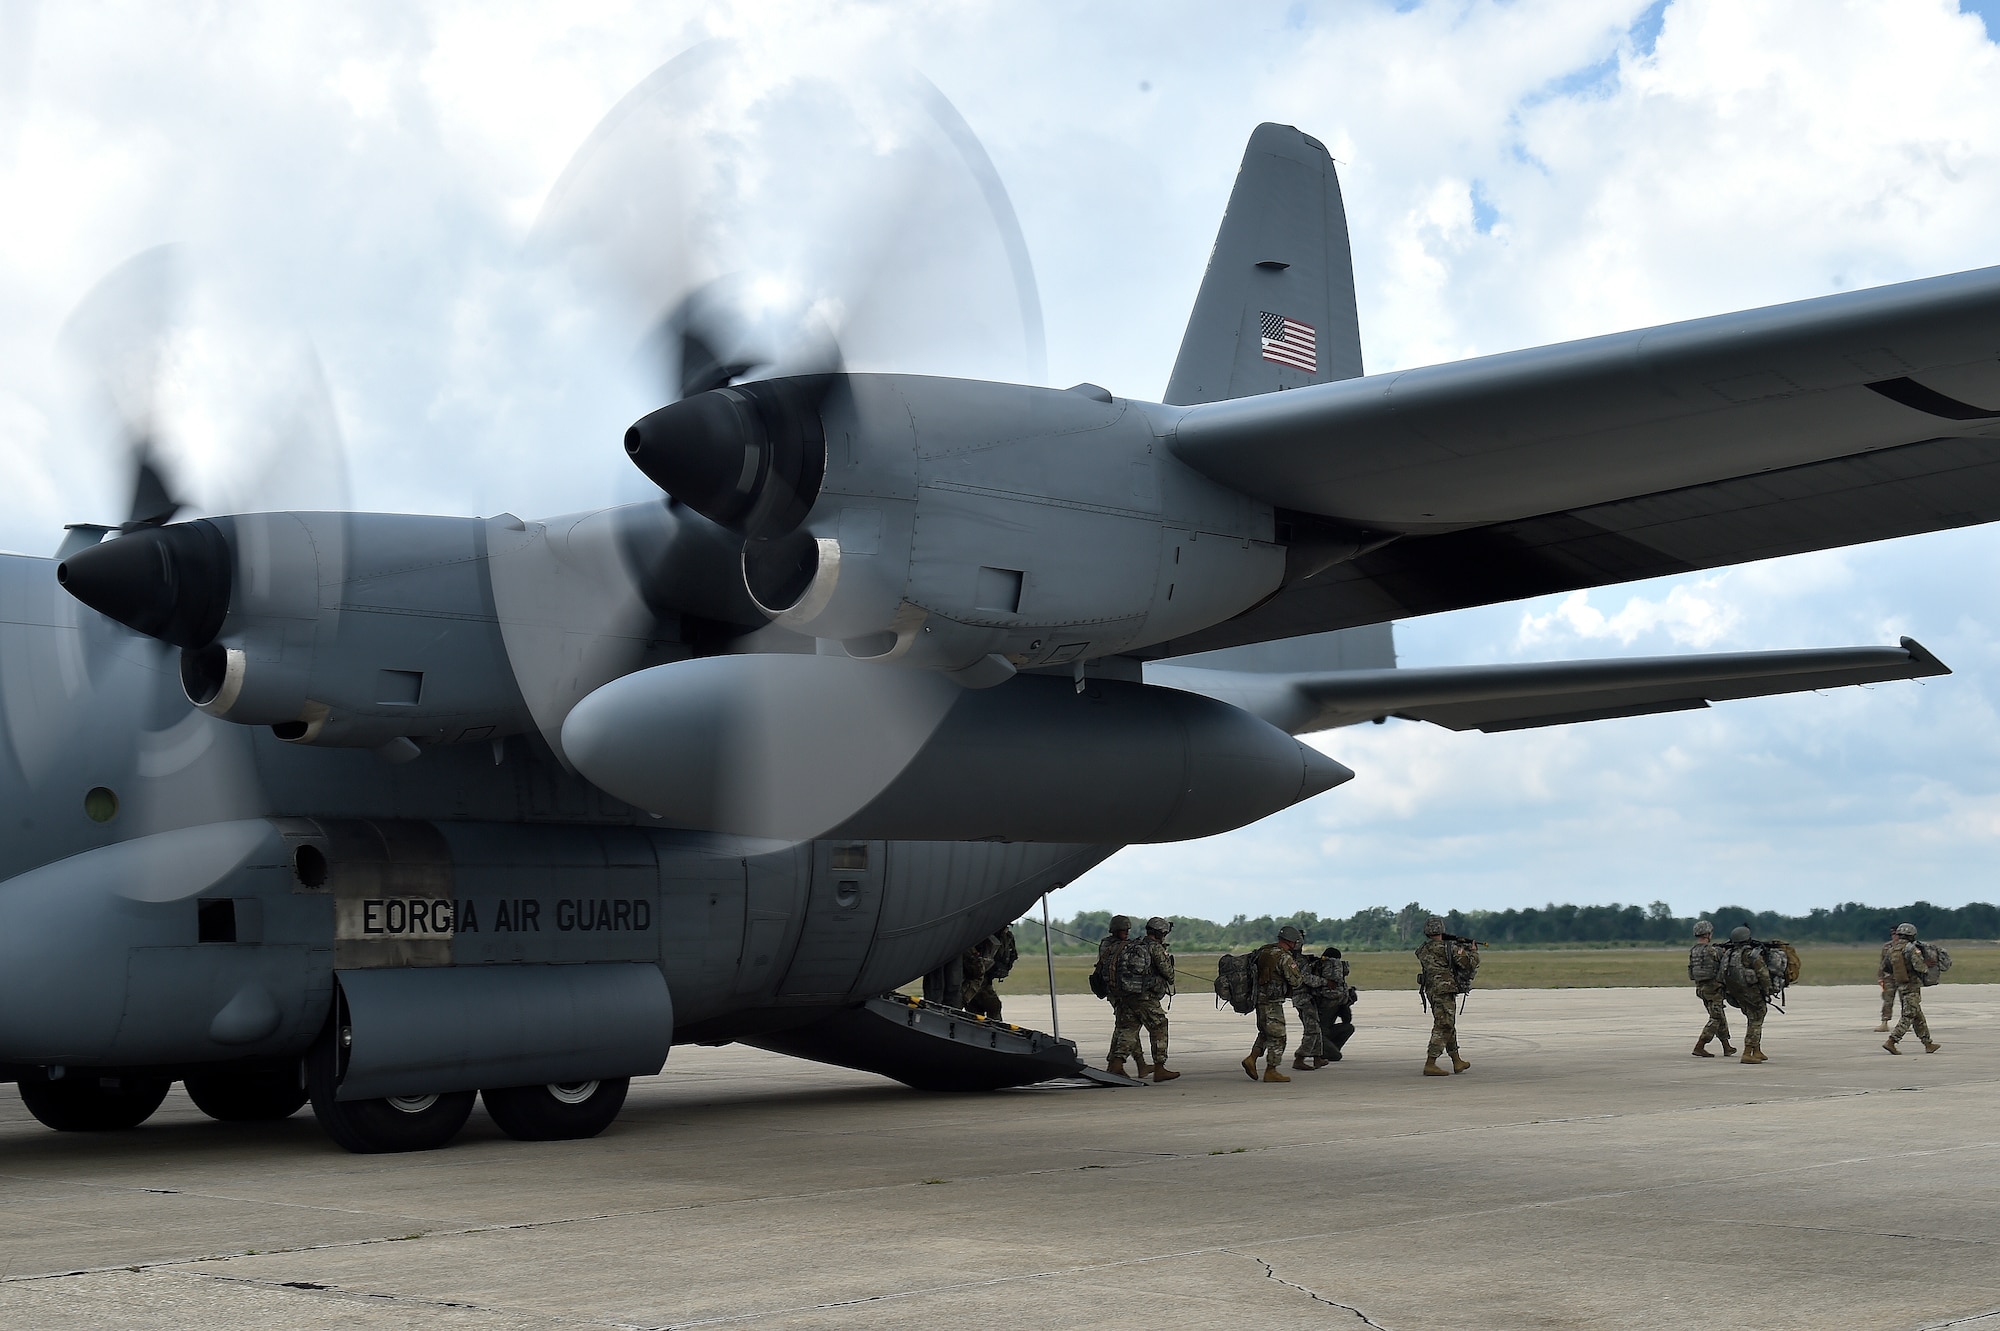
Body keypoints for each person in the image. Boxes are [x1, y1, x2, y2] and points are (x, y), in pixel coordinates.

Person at [1242, 924, 1321, 1083]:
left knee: (1265, 1032)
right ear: (1291, 942)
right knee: (1279, 1036)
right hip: (1272, 1002)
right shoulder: (1284, 957)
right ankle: (1271, 1070)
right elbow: (1296, 980)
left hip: (1259, 999)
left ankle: (1251, 1058)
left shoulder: (1264, 951)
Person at [1111, 917, 1180, 1082]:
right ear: (1160, 933)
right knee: (1159, 1026)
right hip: (1146, 997)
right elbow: (1169, 975)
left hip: (1128, 995)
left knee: (1129, 1029)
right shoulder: (1155, 948)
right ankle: (1160, 1067)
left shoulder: (1134, 945)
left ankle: (1116, 1064)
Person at [1415, 916, 1475, 1076]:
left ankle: (1457, 1060)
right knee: (1444, 1025)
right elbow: (1467, 964)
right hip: (1445, 989)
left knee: (1447, 1023)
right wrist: (1472, 952)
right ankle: (1430, 1063)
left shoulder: (1422, 949)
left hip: (1431, 990)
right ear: (1442, 929)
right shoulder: (1449, 948)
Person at [1882, 922, 1942, 1055]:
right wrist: (1927, 966)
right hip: (1912, 986)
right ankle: (1892, 1041)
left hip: (1901, 985)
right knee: (1908, 1016)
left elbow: (1886, 967)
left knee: (1918, 1016)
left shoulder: (1892, 949)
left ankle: (1928, 1043)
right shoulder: (1910, 948)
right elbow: (1919, 967)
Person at [1292, 947, 1354, 1070]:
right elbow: (1304, 978)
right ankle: (1303, 1057)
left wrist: (1346, 1002)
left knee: (1348, 1028)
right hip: (1319, 1029)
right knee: (1316, 1033)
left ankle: (1319, 1056)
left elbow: (1347, 1019)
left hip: (1325, 1031)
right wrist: (1326, 984)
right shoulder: (1317, 984)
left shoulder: (1336, 991)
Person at [1094, 916, 1140, 1076]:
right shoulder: (1113, 946)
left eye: (1127, 930)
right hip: (1117, 992)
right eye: (1123, 930)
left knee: (1124, 1026)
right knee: (1128, 1027)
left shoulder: (1112, 944)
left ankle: (1117, 1063)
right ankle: (1118, 1064)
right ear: (1115, 931)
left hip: (1115, 990)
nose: (1126, 933)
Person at [1720, 925, 1772, 1064]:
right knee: (1757, 1018)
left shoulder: (1728, 954)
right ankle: (1748, 1052)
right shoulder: (1751, 955)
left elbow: (1721, 975)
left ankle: (1757, 1050)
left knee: (1752, 1017)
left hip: (1737, 993)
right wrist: (1768, 991)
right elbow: (1763, 974)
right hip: (1752, 992)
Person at [1687, 920, 1736, 1058]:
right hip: (1713, 989)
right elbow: (1724, 960)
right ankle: (1700, 1046)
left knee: (1719, 1016)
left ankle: (1727, 1047)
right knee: (1715, 1018)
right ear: (1708, 933)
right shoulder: (1712, 951)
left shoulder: (1694, 950)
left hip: (1701, 988)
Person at [959, 926, 1017, 1020]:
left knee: (979, 1009)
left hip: (981, 978)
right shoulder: (985, 936)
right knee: (993, 1006)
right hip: (976, 980)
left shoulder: (1003, 937)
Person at [1876, 927, 1901, 1033]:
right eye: (1893, 934)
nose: (1895, 936)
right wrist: (1880, 977)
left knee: (1906, 1001)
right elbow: (1882, 963)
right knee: (1887, 1000)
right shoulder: (1887, 947)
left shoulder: (1907, 946)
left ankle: (1905, 1023)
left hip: (1903, 977)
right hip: (1889, 977)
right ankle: (1884, 1022)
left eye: (1897, 934)